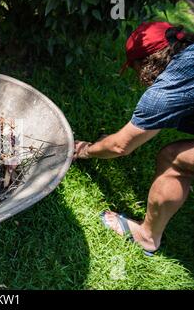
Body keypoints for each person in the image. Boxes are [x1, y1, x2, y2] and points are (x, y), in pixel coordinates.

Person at [74, 21, 194, 256]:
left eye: (134, 68)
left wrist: (85, 150)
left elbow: (121, 146)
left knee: (174, 160)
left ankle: (147, 237)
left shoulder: (164, 93)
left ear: (145, 63)